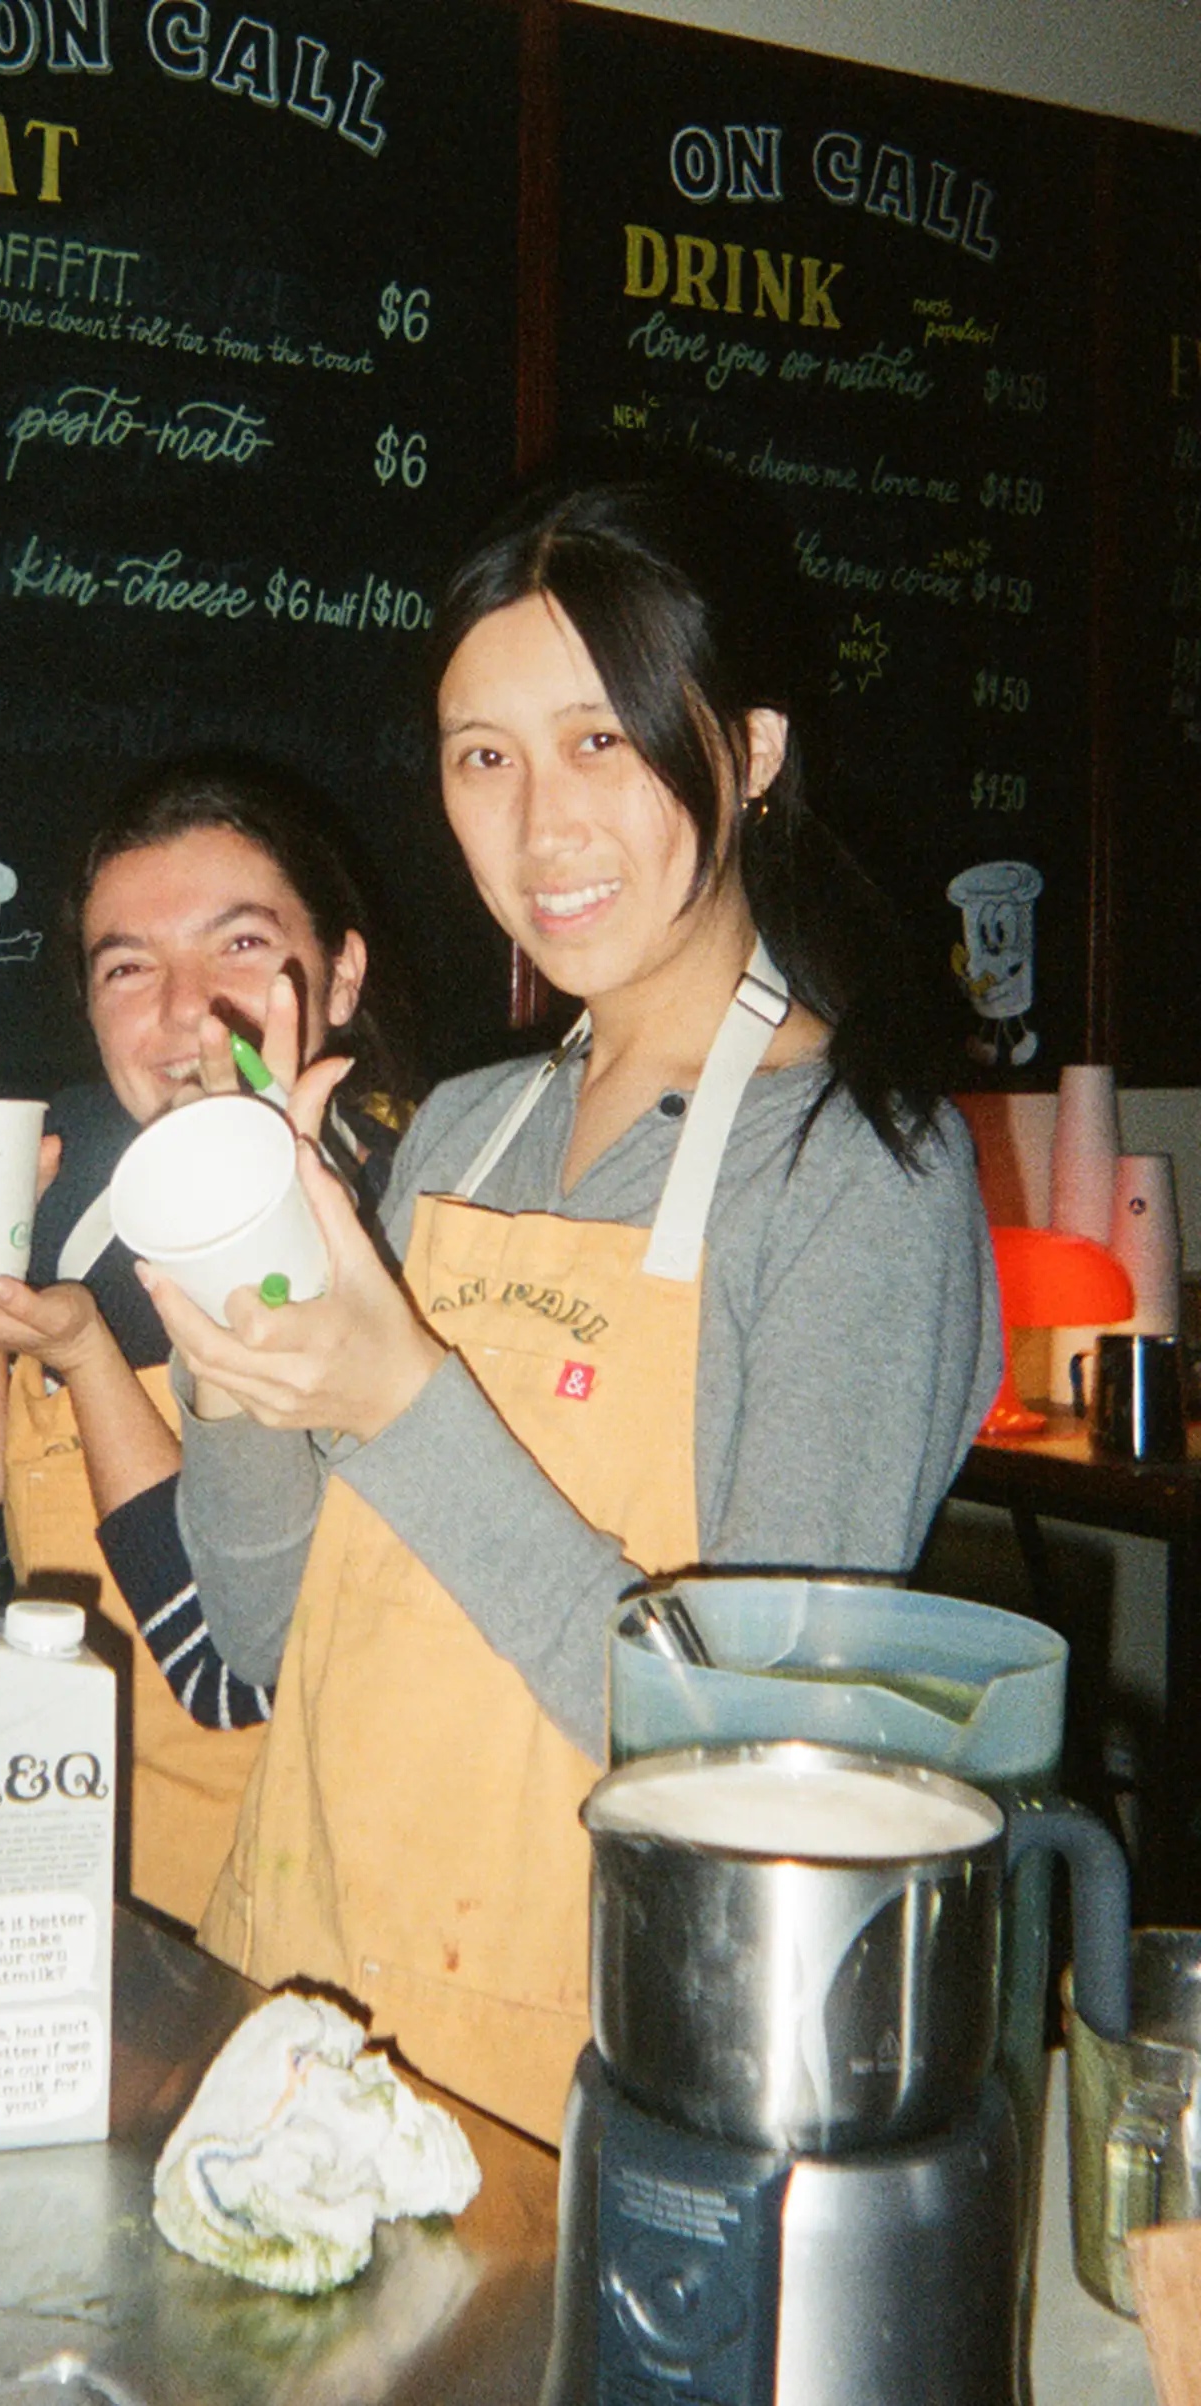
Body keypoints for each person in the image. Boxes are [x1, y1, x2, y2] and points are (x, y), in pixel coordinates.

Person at [149, 472, 1003, 2144]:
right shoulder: (463, 1130)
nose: (541, 827)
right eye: (485, 756)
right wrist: (244, 1349)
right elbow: (266, 1645)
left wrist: (401, 1403)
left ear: (749, 753)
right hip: (291, 2019)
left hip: (577, 2098)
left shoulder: (858, 1172)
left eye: (602, 739)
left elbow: (766, 1765)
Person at [0, 753, 404, 1927]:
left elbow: (233, 1672)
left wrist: (84, 1359)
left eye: (241, 946)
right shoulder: (69, 1166)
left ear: (341, 974)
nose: (182, 1011)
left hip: (309, 1917)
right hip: (65, 1880)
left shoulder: (409, 1219)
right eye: (126, 966)